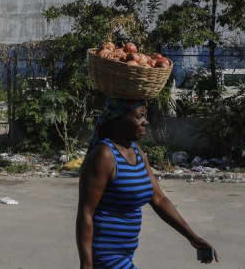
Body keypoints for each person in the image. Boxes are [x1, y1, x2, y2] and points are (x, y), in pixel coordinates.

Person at [76, 98, 218, 268]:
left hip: (126, 254)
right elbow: (86, 213)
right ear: (118, 119)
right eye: (139, 116)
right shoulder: (104, 155)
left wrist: (193, 238)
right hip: (105, 256)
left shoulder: (137, 152)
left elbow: (159, 199)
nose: (146, 122)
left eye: (146, 116)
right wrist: (86, 264)